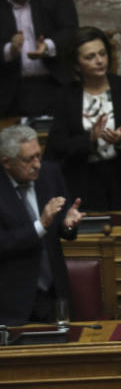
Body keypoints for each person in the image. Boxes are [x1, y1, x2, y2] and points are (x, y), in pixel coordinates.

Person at [45, 27, 121, 211]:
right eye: (90, 57)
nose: (99, 61)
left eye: (102, 54)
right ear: (76, 64)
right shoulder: (65, 96)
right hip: (85, 179)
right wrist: (89, 139)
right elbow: (58, 145)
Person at [0, 125, 85, 325]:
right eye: (28, 159)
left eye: (38, 155)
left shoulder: (50, 173)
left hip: (54, 292)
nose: (37, 164)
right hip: (11, 299)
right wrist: (40, 225)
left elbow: (64, 228)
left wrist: (69, 224)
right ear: (6, 162)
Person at [0, 0, 79, 117]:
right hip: (10, 89)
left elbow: (71, 30)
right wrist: (9, 50)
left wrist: (47, 47)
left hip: (53, 82)